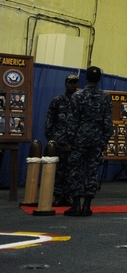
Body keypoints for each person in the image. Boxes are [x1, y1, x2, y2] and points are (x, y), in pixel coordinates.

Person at [64, 66, 114, 217]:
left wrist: (70, 141)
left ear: (86, 78)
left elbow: (72, 122)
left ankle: (75, 205)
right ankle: (87, 206)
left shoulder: (77, 96)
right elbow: (108, 123)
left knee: (76, 171)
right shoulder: (105, 97)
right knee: (92, 172)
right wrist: (104, 140)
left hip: (79, 138)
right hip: (97, 139)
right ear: (99, 79)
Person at [44, 73, 79, 206]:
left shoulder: (80, 101)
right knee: (58, 170)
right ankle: (58, 196)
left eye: (75, 82)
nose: (72, 85)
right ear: (65, 84)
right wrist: (52, 140)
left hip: (75, 143)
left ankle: (69, 196)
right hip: (59, 142)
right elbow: (49, 121)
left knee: (72, 171)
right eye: (70, 82)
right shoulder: (57, 101)